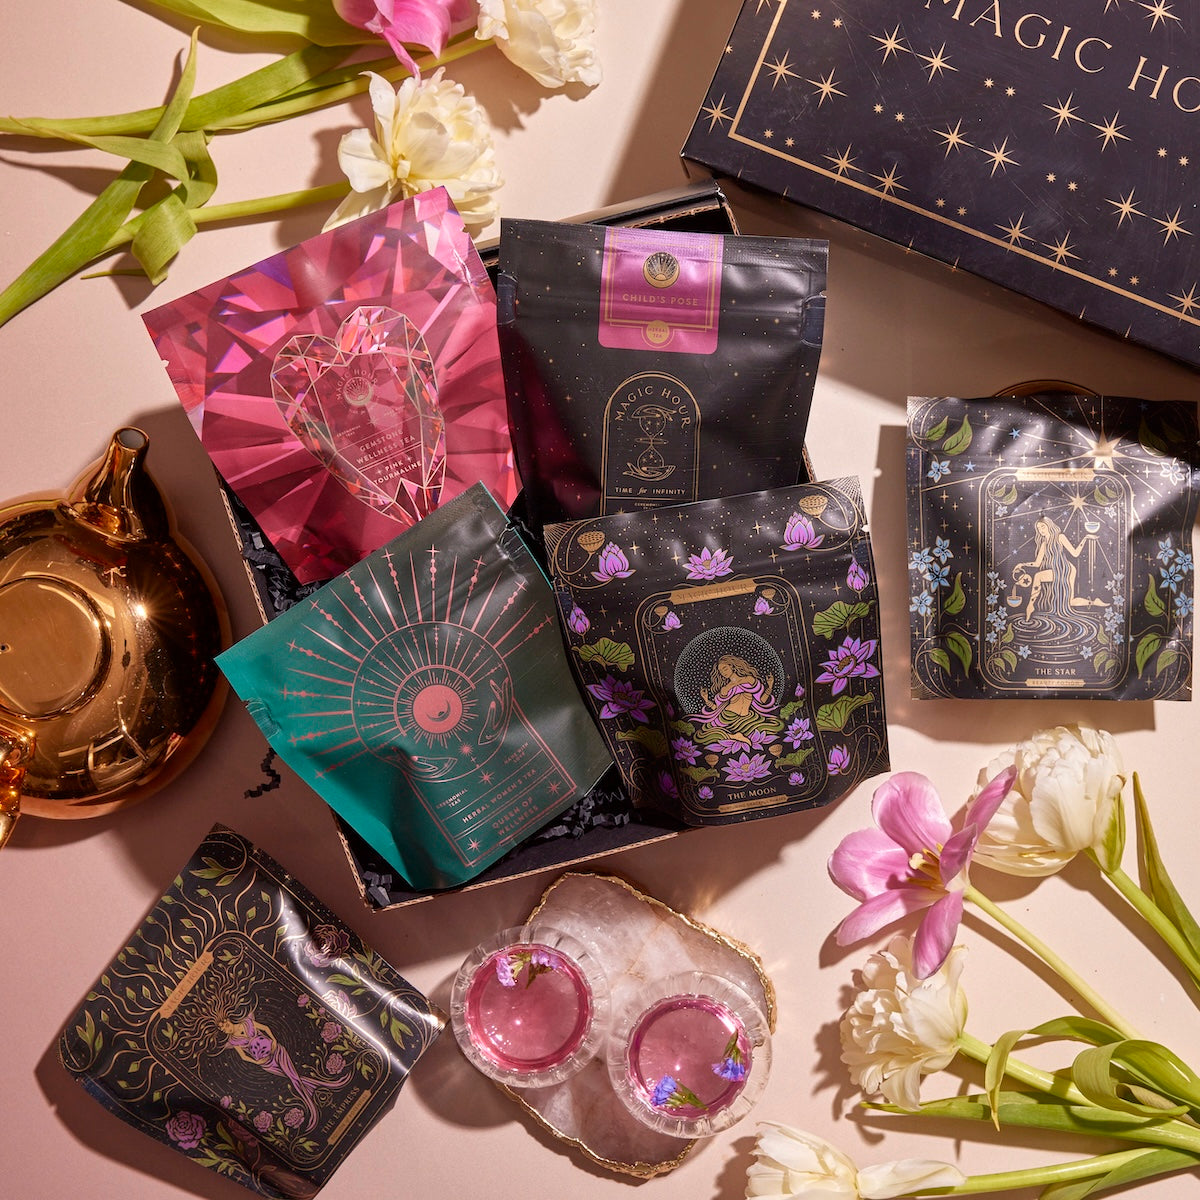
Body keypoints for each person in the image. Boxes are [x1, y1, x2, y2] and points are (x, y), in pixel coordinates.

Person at [1012, 517, 1108, 618]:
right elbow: (1037, 563)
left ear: (1049, 526)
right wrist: (1022, 564)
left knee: (1038, 577)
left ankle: (1030, 606)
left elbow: (1075, 553)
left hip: (1067, 569)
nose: (1041, 530)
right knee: (1069, 602)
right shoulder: (1044, 544)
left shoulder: (1060, 537)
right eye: (1039, 528)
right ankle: (1093, 602)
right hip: (1056, 570)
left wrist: (1085, 538)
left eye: (1043, 527)